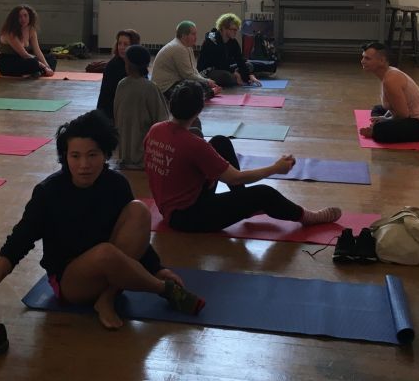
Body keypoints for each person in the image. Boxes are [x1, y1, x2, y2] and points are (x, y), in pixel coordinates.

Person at [0, 111, 204, 331]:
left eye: (92, 155)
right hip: (72, 281)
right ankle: (164, 290)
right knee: (105, 253)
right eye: (75, 156)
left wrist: (156, 267)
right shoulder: (48, 192)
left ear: (105, 154)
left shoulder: (116, 184)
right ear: (65, 157)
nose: (84, 165)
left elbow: (133, 236)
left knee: (139, 211)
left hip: (112, 267)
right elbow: (18, 242)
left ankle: (107, 297)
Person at [144, 82, 342, 232]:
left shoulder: (156, 129)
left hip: (173, 204)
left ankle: (244, 204)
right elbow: (234, 178)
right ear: (199, 110)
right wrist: (276, 168)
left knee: (220, 142)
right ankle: (307, 217)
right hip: (187, 217)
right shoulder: (193, 144)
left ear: (171, 104)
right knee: (264, 193)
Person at [358, 42, 419, 143]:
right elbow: (393, 107)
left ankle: (375, 130)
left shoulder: (391, 80)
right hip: (407, 116)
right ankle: (378, 125)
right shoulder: (387, 74)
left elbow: (403, 114)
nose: (362, 61)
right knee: (377, 109)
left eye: (367, 58)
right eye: (363, 57)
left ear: (382, 61)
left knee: (380, 129)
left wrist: (384, 120)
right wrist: (384, 117)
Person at [113, 44, 168, 170]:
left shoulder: (122, 85)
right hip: (144, 156)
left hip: (125, 154)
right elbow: (162, 120)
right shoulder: (150, 88)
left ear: (129, 64)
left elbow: (117, 116)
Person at [151, 21, 222, 99]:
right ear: (184, 36)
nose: (196, 37)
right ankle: (210, 93)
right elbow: (188, 75)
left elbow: (193, 70)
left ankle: (207, 92)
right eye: (193, 34)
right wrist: (207, 82)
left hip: (175, 82)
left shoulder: (187, 47)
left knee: (200, 85)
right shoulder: (178, 48)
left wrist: (205, 82)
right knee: (190, 94)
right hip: (164, 89)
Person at [197, 13, 260, 88]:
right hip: (209, 70)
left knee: (249, 65)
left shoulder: (233, 42)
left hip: (224, 67)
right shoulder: (211, 41)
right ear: (224, 28)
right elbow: (219, 64)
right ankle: (237, 77)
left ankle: (239, 77)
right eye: (233, 29)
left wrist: (249, 75)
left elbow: (240, 60)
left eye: (236, 30)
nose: (235, 32)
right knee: (226, 76)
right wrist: (235, 73)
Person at [0, 4, 57, 77]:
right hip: (7, 61)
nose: (23, 19)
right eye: (19, 16)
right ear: (15, 19)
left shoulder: (31, 29)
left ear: (29, 16)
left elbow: (37, 51)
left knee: (51, 58)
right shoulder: (10, 32)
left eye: (25, 15)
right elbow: (24, 54)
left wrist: (47, 66)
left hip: (22, 59)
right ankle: (39, 71)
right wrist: (44, 67)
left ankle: (37, 71)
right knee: (33, 62)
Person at [96, 28, 140, 120]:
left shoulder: (138, 64)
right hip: (113, 112)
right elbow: (106, 97)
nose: (121, 47)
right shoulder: (112, 66)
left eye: (126, 44)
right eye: (119, 43)